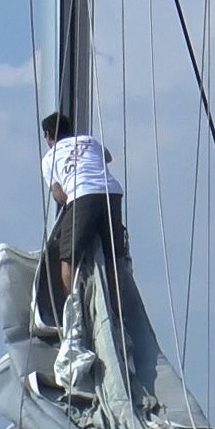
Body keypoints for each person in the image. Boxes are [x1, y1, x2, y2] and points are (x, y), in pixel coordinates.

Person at [37, 112, 129, 321]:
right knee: (114, 256)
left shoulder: (49, 158)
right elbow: (107, 157)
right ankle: (117, 313)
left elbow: (59, 195)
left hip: (82, 195)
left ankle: (74, 317)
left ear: (48, 135)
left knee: (68, 255)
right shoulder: (89, 140)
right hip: (111, 192)